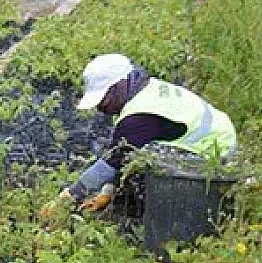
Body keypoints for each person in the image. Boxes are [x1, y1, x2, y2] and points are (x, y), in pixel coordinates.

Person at [50, 53, 237, 213]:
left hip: (213, 150)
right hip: (218, 133)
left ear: (119, 86)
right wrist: (107, 193)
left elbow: (111, 163)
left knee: (143, 174)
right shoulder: (145, 90)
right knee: (134, 161)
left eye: (102, 98)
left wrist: (66, 199)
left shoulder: (139, 117)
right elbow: (121, 155)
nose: (100, 107)